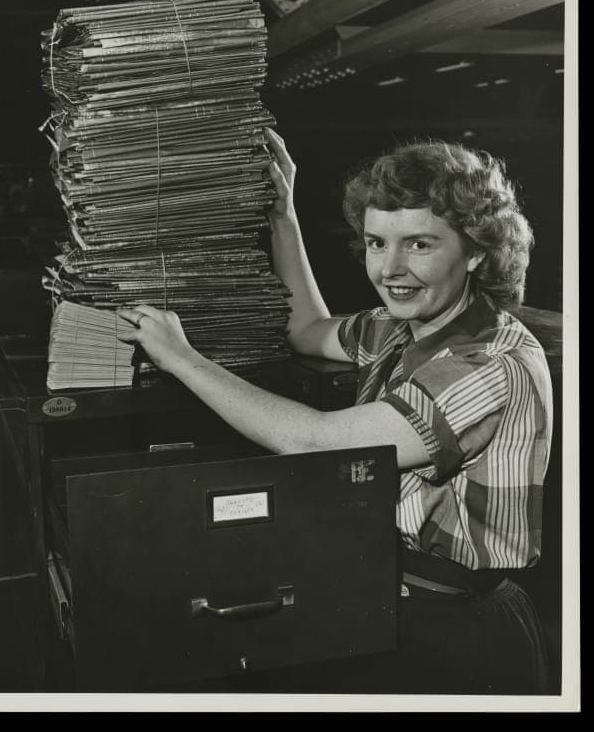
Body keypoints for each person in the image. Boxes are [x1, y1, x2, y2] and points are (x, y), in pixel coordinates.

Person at [118, 129, 553, 695]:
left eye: (419, 245)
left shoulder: (486, 365)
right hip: (386, 598)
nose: (390, 268)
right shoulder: (400, 328)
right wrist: (283, 216)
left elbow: (315, 440)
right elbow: (306, 330)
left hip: (456, 629)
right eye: (377, 243)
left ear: (475, 251)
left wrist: (181, 358)